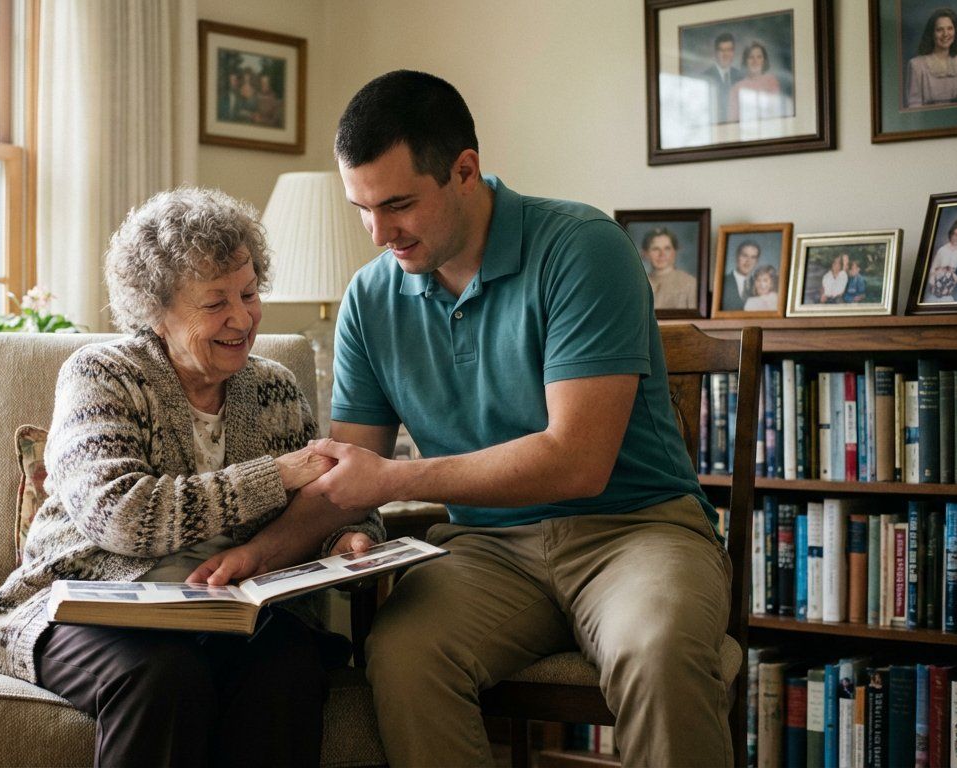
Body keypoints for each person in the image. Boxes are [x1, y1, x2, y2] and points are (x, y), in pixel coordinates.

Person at [307, 70, 731, 767]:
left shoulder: (581, 246)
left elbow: (578, 461)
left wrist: (388, 482)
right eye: (362, 207)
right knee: (403, 653)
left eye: (399, 204)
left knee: (656, 649)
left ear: (465, 171)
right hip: (489, 551)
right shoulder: (369, 297)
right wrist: (350, 525)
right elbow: (353, 467)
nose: (380, 232)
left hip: (635, 529)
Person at [0, 187, 384, 767]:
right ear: (156, 310)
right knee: (162, 676)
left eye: (250, 293)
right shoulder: (102, 375)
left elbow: (327, 502)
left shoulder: (275, 388)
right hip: (86, 607)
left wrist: (347, 540)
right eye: (215, 304)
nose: (242, 317)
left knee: (287, 663)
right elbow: (122, 515)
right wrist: (275, 475)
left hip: (232, 609)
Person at [907, 8, 957, 108]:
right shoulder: (916, 65)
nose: (945, 34)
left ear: (956, 31)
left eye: (950, 28)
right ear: (932, 33)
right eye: (939, 29)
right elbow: (913, 108)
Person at [641, 227, 698, 310]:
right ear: (645, 253)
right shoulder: (640, 284)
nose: (662, 254)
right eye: (655, 249)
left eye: (667, 248)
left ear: (675, 251)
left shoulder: (690, 284)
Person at [728, 41, 787, 122]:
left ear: (764, 60)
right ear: (745, 61)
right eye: (751, 57)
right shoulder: (736, 88)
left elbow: (776, 112)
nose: (755, 61)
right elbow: (733, 120)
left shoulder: (771, 81)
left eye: (759, 57)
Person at [699, 32, 743, 123]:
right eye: (721, 50)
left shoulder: (741, 76)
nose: (725, 54)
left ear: (733, 52)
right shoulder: (704, 78)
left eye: (729, 50)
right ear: (715, 53)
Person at [928, 219, 957, 301]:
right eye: (955, 234)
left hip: (951, 289)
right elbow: (932, 270)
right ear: (951, 233)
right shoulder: (942, 250)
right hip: (937, 288)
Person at [720, 239, 762, 311]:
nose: (748, 261)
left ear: (757, 261)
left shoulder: (759, 286)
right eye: (745, 255)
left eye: (753, 257)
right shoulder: (723, 282)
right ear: (737, 256)